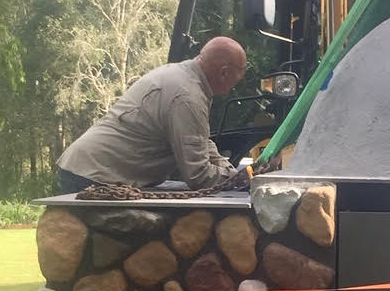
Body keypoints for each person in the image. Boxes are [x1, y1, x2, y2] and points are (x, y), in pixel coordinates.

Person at [56, 36, 249, 193]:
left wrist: (231, 172)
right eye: (236, 79)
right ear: (224, 73)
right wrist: (238, 180)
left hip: (89, 169)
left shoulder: (184, 78)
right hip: (94, 176)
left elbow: (200, 141)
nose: (234, 87)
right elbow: (198, 175)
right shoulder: (187, 97)